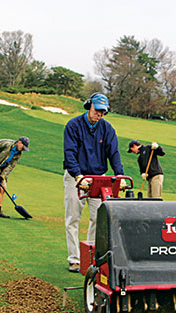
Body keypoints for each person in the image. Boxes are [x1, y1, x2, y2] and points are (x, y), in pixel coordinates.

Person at [63, 93, 124, 272]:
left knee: (98, 218)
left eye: (103, 112)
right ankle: (74, 259)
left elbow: (114, 153)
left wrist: (119, 175)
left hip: (99, 177)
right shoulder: (73, 125)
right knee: (73, 218)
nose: (99, 114)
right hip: (77, 176)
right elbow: (70, 152)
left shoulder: (107, 128)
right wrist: (77, 175)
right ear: (89, 106)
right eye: (97, 110)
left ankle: (90, 257)